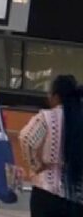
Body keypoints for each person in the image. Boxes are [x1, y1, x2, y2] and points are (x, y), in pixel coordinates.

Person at [20, 75, 83, 216]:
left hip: (46, 193)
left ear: (56, 96)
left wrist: (36, 165)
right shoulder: (80, 120)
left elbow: (26, 138)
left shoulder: (47, 117)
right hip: (76, 196)